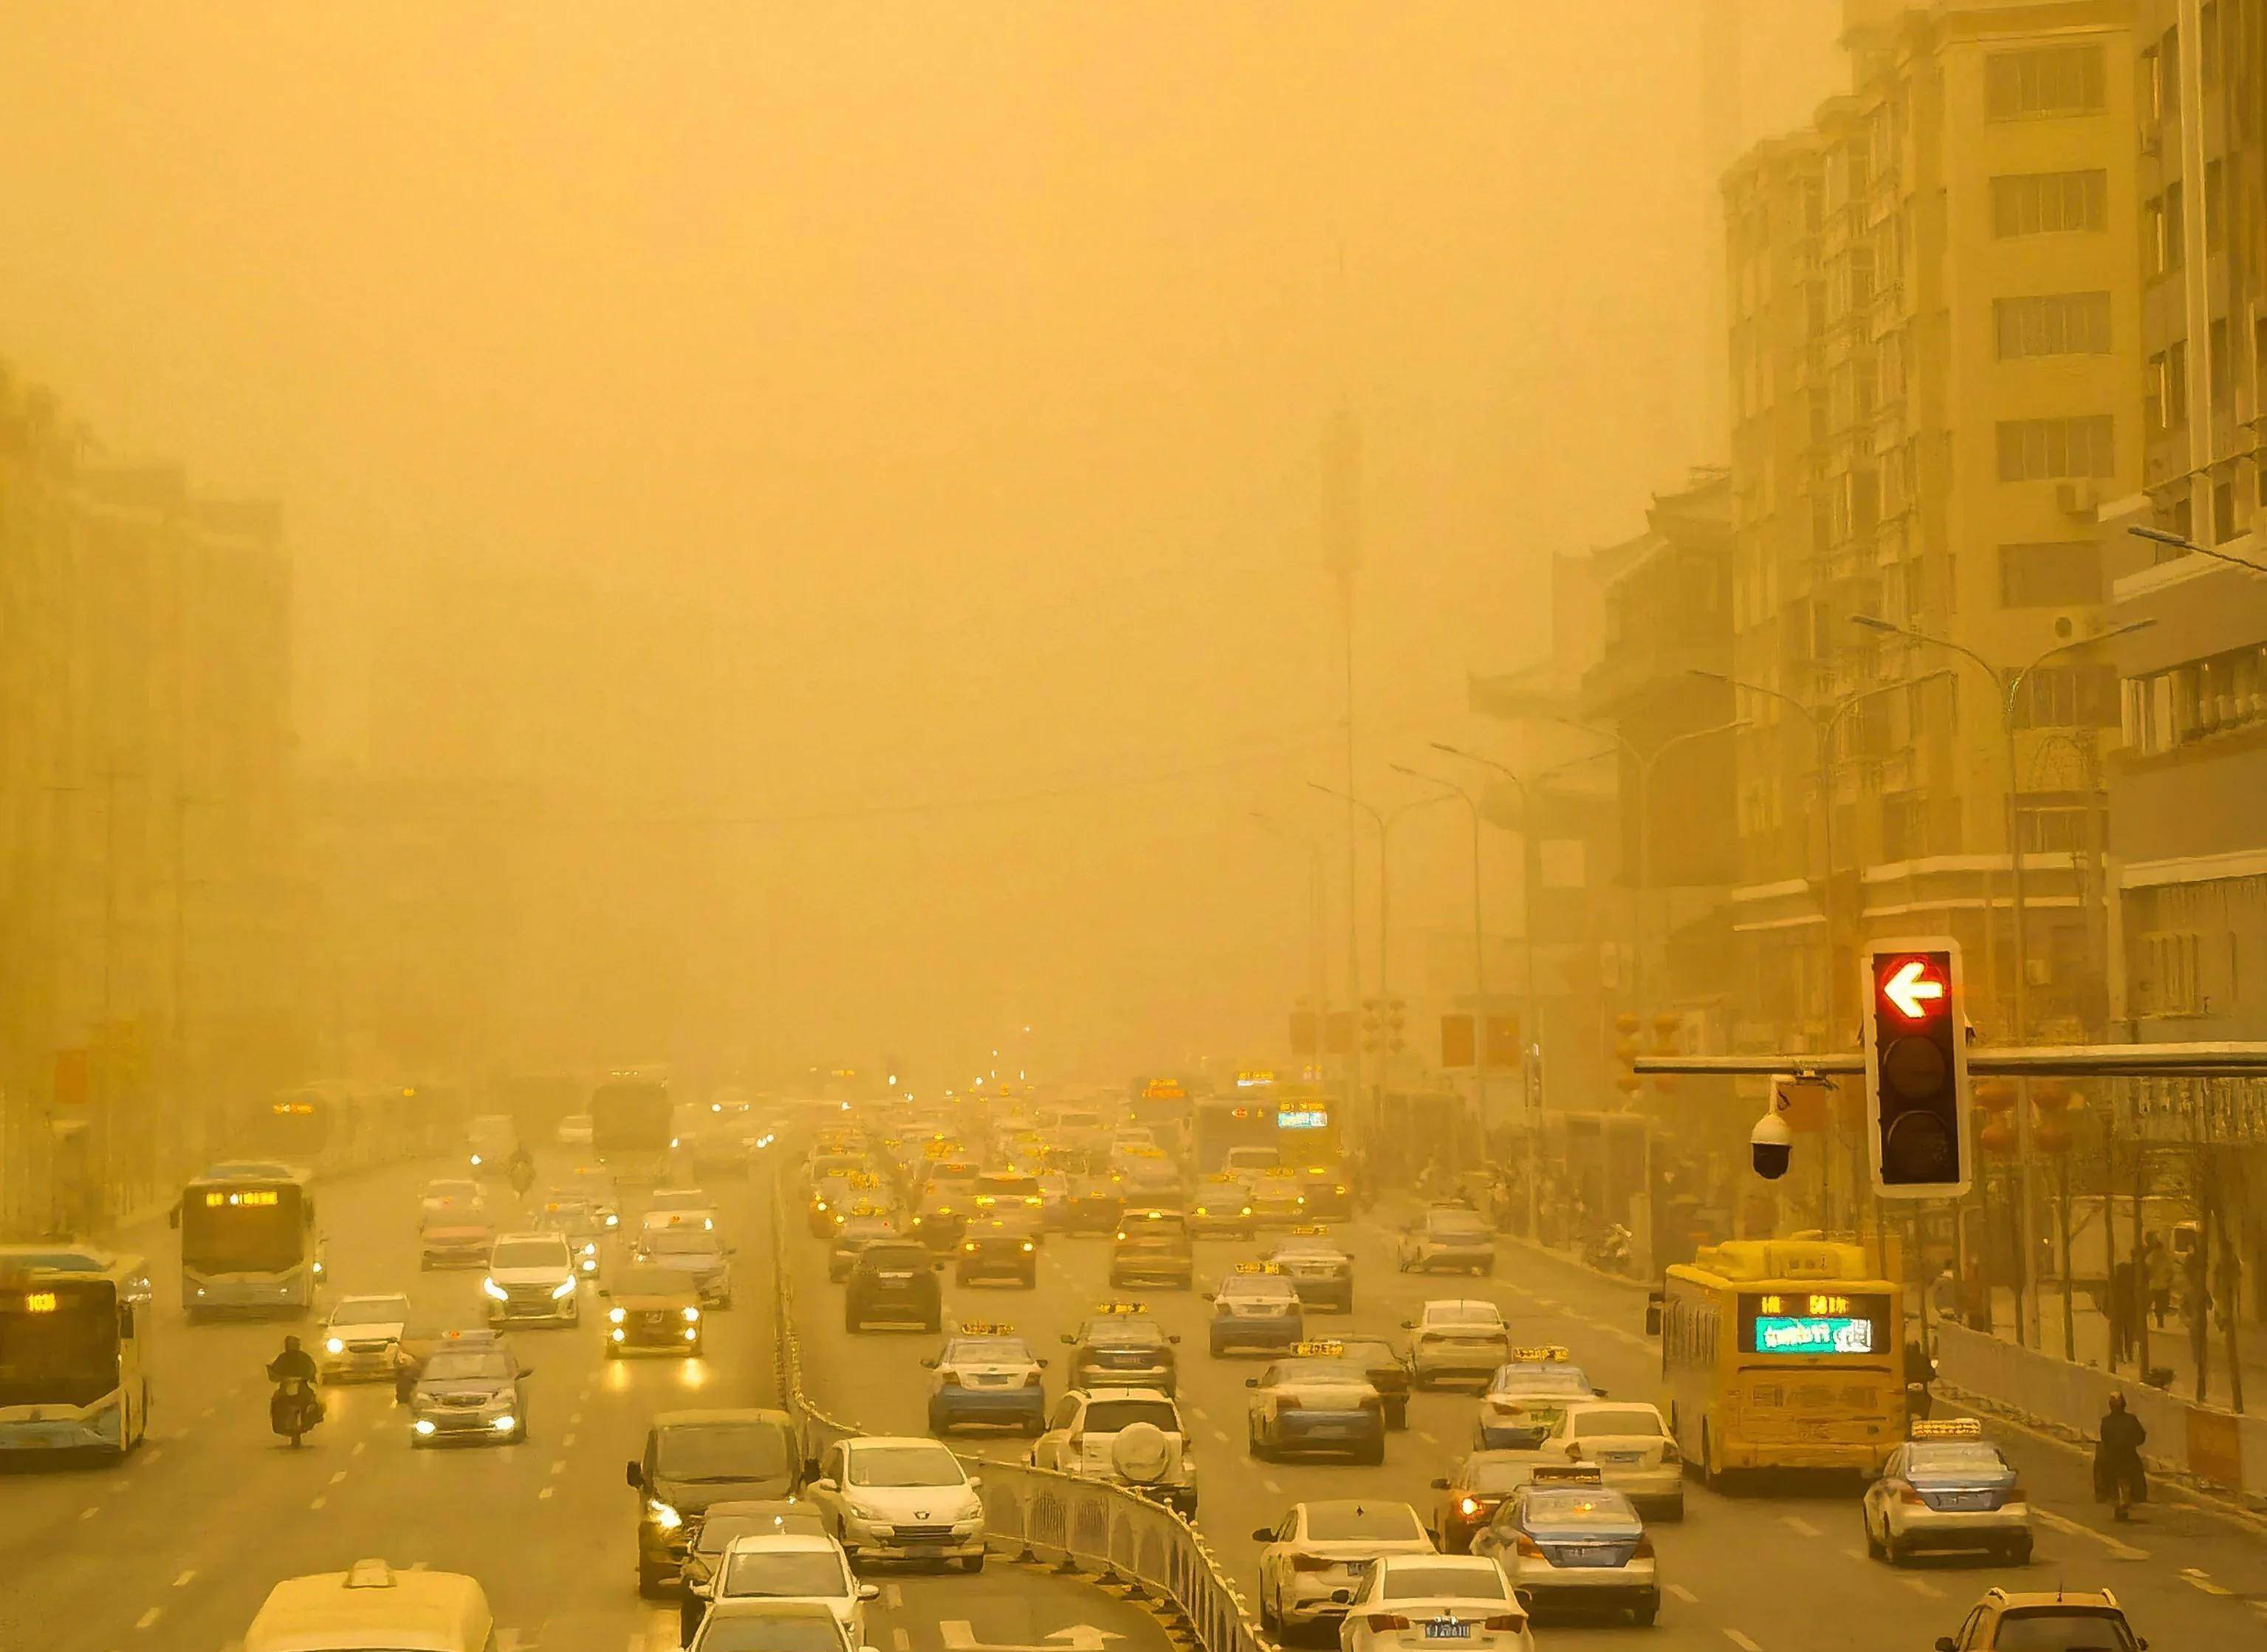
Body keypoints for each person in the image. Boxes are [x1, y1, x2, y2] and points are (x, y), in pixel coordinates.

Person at [2093, 1392, 2147, 1518]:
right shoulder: (2130, 1420)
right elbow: (2141, 1437)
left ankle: (2115, 1499)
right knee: (2126, 1478)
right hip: (2126, 1458)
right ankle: (2123, 1501)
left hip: (2115, 1459)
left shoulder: (2106, 1421)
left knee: (2108, 1476)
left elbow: (2105, 1439)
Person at [2109, 1255, 2138, 1364]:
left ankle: (2120, 1355)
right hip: (2129, 1311)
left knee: (2118, 1334)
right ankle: (2128, 1354)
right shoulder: (2132, 1283)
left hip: (2119, 1311)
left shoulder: (2115, 1284)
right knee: (2129, 1334)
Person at [2143, 1234, 2174, 1329]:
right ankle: (2160, 1324)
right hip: (2162, 1285)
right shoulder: (2164, 1257)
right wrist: (2168, 1280)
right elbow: (2169, 1270)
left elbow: (2147, 1269)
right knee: (2160, 1306)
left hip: (2153, 1285)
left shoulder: (2150, 1256)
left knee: (2146, 1304)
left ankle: (2143, 1323)